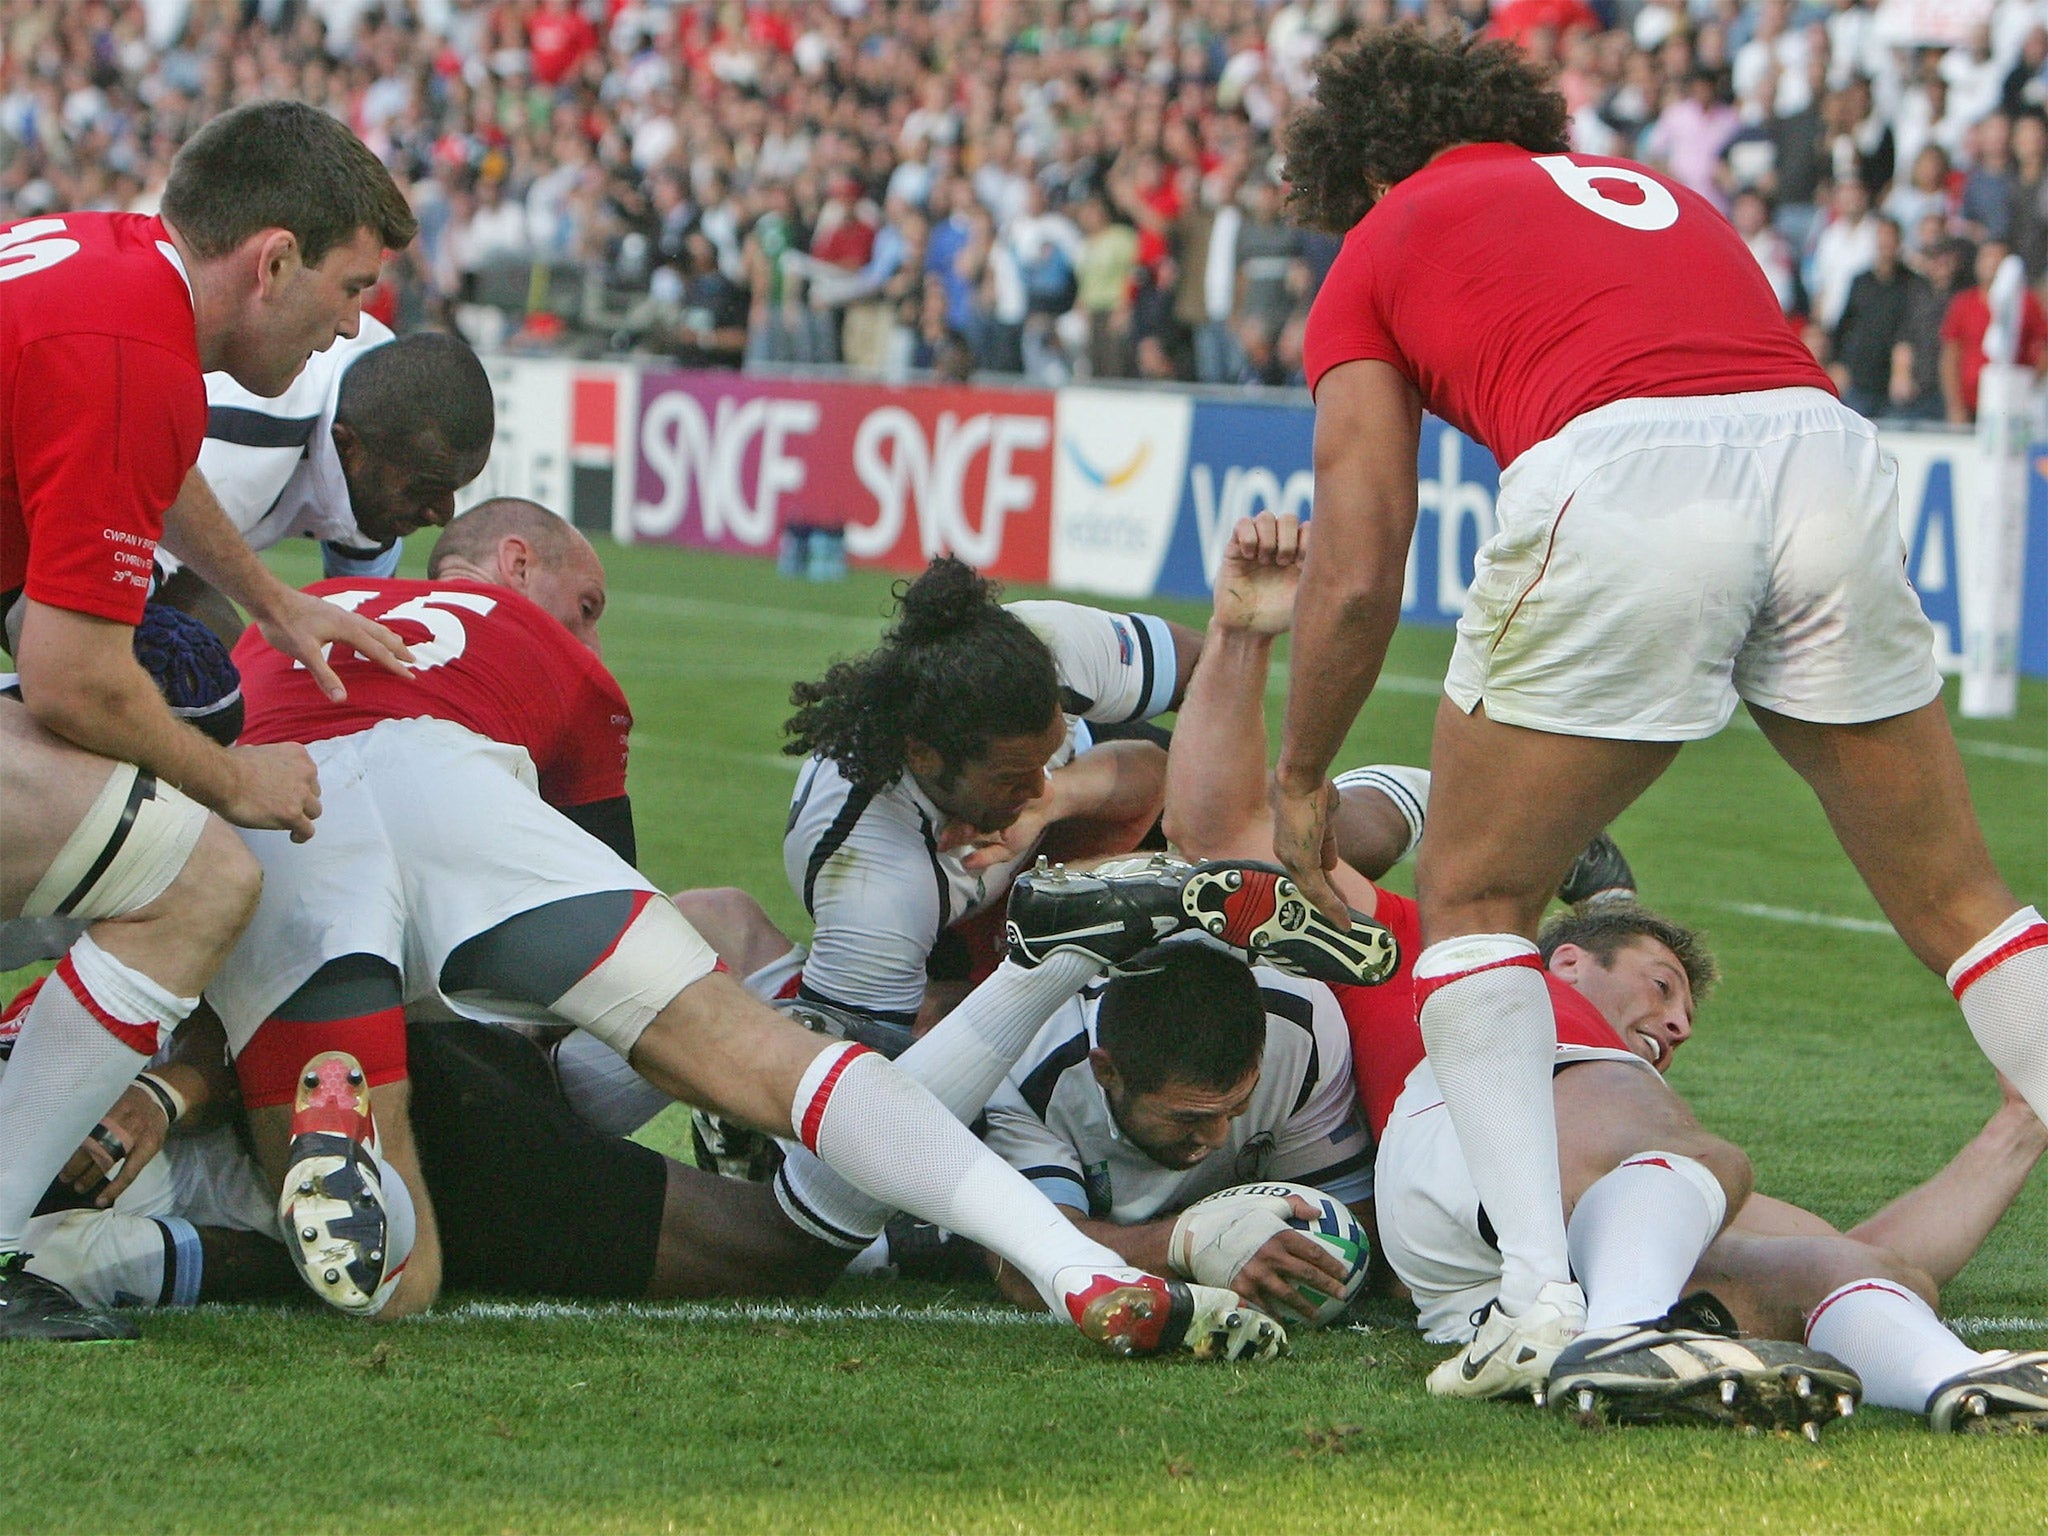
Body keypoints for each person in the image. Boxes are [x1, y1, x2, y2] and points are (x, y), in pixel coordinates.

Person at [1268, 25, 2048, 1408]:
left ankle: (1540, 1306)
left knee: (1477, 900)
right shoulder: (1647, 190)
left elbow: (1358, 555)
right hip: (1825, 453)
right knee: (1964, 905)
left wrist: (1304, 774)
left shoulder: (1383, 240)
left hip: (1624, 469)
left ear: (1364, 165)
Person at [205, 498, 1292, 1363]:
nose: (596, 629)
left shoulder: (297, 617)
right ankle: (1076, 1237)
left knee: (400, 1280)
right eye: (585, 602)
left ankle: (210, 1182)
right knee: (776, 1074)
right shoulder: (855, 860)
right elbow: (605, 941)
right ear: (516, 566)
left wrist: (1076, 795)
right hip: (466, 802)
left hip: (283, 809)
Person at [1186, 513, 2048, 1431]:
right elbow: (1220, 832)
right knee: (1700, 1155)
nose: (1677, 1024)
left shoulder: (1640, 1153)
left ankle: (1956, 1385)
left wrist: (2019, 1124)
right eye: (1661, 981)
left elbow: (1882, 1257)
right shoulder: (1469, 955)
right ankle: (1622, 1337)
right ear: (1565, 953)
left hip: (1492, 1284)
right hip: (1448, 1162)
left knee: (1857, 1276)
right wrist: (1240, 634)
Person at [0, 99, 418, 1342]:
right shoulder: (132, 345)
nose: (354, 323)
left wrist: (272, 599)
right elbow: (77, 677)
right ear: (271, 259)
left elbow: (153, 457)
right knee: (199, 879)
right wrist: (230, 782)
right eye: (348, 287)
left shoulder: (112, 261)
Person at [980, 940, 1373, 1325]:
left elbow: (1354, 1216)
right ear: (1107, 1072)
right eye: (1188, 1118)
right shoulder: (1027, 1060)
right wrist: (1191, 1242)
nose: (1217, 1137)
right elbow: (1022, 1264)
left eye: (1238, 1107)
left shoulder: (1301, 1025)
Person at [168, 324, 497, 636]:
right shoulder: (240, 445)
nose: (443, 515)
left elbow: (363, 628)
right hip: (137, 510)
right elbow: (120, 575)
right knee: (202, 660)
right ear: (347, 446)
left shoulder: (381, 408)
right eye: (425, 489)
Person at [1939, 237, 2048, 422]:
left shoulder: (2027, 303)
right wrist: (1954, 406)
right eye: (1986, 257)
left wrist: (2029, 388)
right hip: (1970, 405)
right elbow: (1950, 356)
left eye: (1997, 259)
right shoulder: (1964, 303)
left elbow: (2043, 349)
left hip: (2011, 406)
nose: (1991, 264)